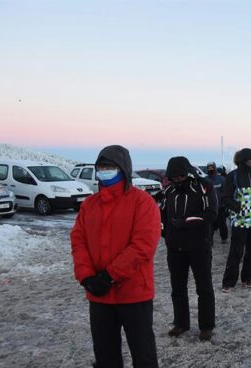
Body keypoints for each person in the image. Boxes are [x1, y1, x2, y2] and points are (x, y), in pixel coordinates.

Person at [71, 145, 160, 368]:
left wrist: (109, 276)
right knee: (105, 358)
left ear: (124, 169)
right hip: (99, 296)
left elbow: (143, 246)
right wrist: (86, 277)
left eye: (110, 166)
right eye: (101, 167)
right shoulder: (89, 205)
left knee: (144, 356)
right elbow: (78, 241)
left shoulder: (143, 203)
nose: (104, 171)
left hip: (134, 294)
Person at [161, 156, 218, 341]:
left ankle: (206, 325)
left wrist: (184, 223)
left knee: (204, 287)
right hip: (175, 247)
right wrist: (166, 233)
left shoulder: (203, 186)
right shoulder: (168, 190)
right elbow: (162, 215)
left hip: (199, 245)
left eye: (180, 176)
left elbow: (211, 214)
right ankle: (181, 323)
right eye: (174, 177)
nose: (177, 180)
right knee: (177, 287)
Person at [221, 148, 251, 292]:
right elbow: (226, 198)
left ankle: (247, 279)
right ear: (242, 161)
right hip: (240, 220)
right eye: (250, 159)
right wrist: (238, 208)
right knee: (236, 251)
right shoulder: (233, 176)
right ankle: (228, 283)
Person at [205, 162, 228, 244]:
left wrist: (226, 205)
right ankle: (210, 240)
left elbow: (226, 193)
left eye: (212, 168)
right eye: (209, 168)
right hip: (209, 208)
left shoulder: (222, 179)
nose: (210, 169)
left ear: (215, 168)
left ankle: (224, 237)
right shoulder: (205, 180)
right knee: (210, 225)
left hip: (221, 207)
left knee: (222, 224)